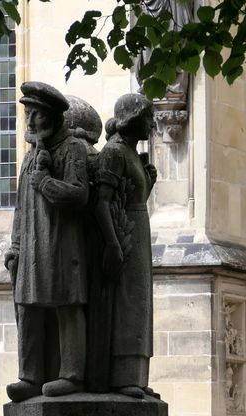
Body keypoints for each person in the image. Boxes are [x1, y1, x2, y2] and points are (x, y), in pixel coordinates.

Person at [4, 82, 90, 402]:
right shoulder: (29, 158)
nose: (29, 121)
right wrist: (15, 247)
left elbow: (79, 194)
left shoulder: (71, 149)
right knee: (29, 310)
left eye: (36, 114)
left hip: (61, 243)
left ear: (52, 116)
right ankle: (30, 375)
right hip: (31, 248)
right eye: (28, 113)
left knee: (67, 306)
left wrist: (46, 183)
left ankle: (71, 375)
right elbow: (20, 208)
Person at [93, 93, 159, 398]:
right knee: (128, 303)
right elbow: (102, 202)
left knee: (140, 302)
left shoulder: (132, 154)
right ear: (131, 119)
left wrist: (149, 182)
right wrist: (112, 243)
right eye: (147, 118)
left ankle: (137, 377)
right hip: (125, 235)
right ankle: (122, 377)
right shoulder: (114, 153)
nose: (152, 124)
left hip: (139, 230)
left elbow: (133, 199)